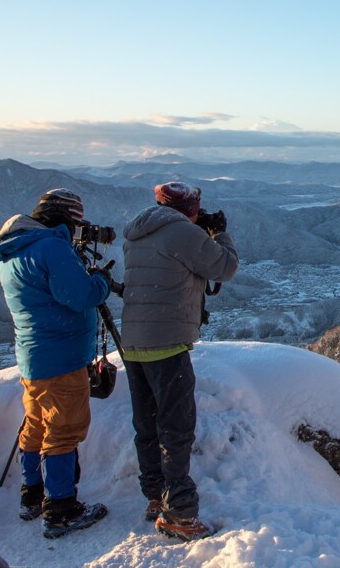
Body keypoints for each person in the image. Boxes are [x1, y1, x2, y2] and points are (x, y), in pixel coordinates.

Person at [0, 189, 113, 539]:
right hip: (62, 358)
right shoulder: (51, 247)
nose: (78, 232)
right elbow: (81, 296)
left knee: (36, 423)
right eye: (75, 225)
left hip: (33, 357)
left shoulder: (14, 249)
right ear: (64, 219)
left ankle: (31, 495)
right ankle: (61, 508)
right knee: (64, 429)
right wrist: (101, 281)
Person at [120, 181, 239, 541]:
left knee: (147, 424)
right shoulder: (181, 233)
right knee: (176, 428)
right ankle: (180, 513)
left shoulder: (137, 232)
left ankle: (155, 497)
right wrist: (219, 234)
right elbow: (225, 267)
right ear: (189, 207)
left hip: (134, 342)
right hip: (167, 343)